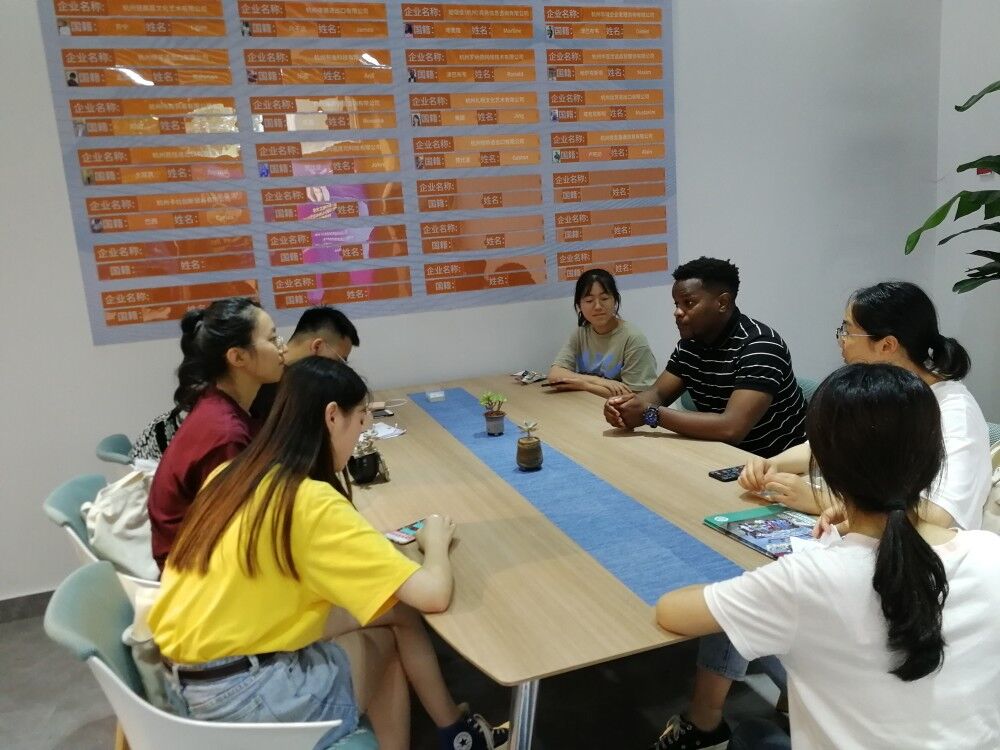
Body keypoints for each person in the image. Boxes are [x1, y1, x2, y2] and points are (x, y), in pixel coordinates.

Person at [148, 357, 509, 750]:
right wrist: (434, 540)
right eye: (360, 422)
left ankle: (456, 733)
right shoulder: (310, 501)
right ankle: (457, 736)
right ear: (332, 416)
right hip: (246, 698)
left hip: (183, 682)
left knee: (392, 611)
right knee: (387, 641)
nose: (361, 436)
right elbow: (433, 595)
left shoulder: (231, 475)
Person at [652, 364, 1000, 750]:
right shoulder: (990, 554)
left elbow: (672, 612)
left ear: (825, 472)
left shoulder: (807, 578)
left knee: (752, 733)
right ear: (935, 459)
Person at [740, 281, 991, 531]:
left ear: (887, 345)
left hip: (919, 548)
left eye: (848, 331)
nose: (841, 340)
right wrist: (772, 465)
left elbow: (938, 515)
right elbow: (826, 447)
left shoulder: (955, 413)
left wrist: (818, 499)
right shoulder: (877, 392)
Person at [604, 257, 806, 458]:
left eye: (688, 303)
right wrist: (624, 406)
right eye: (676, 303)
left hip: (782, 462)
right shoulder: (690, 345)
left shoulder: (760, 347)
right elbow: (658, 393)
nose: (677, 312)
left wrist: (650, 414)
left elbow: (731, 429)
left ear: (722, 302)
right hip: (722, 455)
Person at [147, 297, 285, 571]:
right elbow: (240, 531)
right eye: (272, 339)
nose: (283, 348)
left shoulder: (219, 402)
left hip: (204, 556)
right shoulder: (226, 435)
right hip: (195, 573)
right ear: (237, 357)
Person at [548, 268, 657, 397]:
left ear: (615, 300)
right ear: (579, 305)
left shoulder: (633, 338)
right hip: (588, 405)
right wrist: (597, 381)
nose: (598, 306)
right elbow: (555, 374)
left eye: (604, 298)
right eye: (589, 301)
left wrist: (584, 385)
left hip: (623, 408)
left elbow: (635, 395)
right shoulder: (581, 333)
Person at [251, 306, 359, 419]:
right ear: (317, 346)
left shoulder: (296, 381)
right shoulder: (274, 385)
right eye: (340, 360)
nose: (339, 369)